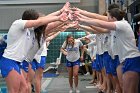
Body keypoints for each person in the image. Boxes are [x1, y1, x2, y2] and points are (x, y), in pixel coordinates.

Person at [0, 8, 68, 93]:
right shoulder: (18, 23)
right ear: (31, 20)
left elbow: (48, 23)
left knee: (24, 88)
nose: (41, 21)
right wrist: (58, 17)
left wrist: (62, 13)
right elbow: (40, 22)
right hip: (9, 61)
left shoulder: (30, 30)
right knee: (14, 90)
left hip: (18, 62)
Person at [76, 8, 140, 93]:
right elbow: (99, 27)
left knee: (128, 90)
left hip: (131, 59)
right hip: (125, 59)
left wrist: (82, 19)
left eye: (108, 18)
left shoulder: (121, 24)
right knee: (123, 87)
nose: (107, 19)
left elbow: (100, 23)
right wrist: (81, 14)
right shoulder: (116, 27)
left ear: (113, 18)